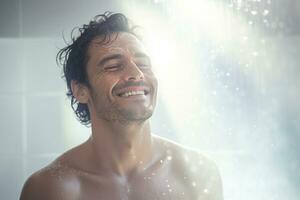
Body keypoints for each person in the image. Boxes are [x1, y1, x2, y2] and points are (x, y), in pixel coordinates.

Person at [20, 12, 223, 200]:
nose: (136, 73)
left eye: (143, 64)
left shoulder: (198, 175)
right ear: (81, 90)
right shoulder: (50, 189)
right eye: (113, 66)